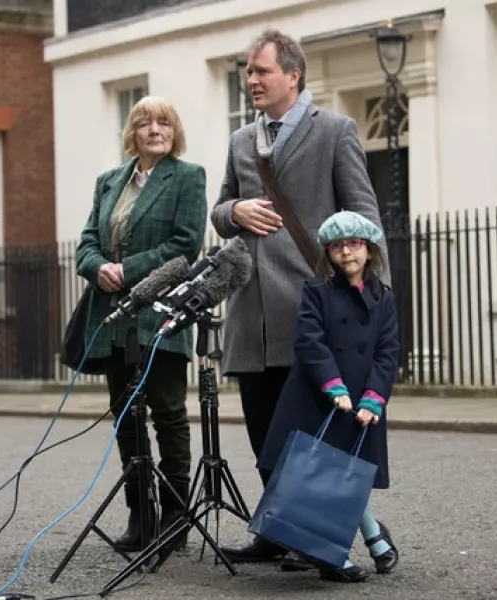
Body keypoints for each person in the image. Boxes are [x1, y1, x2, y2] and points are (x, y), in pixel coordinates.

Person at [210, 28, 389, 563]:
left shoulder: (335, 130)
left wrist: (365, 301)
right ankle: (275, 532)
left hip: (313, 312)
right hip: (251, 313)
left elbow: (366, 218)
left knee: (311, 435)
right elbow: (219, 211)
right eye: (248, 71)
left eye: (261, 71)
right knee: (265, 431)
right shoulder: (242, 140)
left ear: (293, 74)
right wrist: (235, 212)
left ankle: (310, 539)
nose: (252, 80)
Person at [75, 96, 207, 551]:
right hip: (112, 317)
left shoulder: (187, 177)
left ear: (174, 131)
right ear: (133, 132)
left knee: (168, 414)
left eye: (164, 122)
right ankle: (140, 515)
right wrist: (97, 268)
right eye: (146, 122)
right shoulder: (108, 182)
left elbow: (185, 246)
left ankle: (176, 517)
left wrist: (125, 270)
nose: (156, 129)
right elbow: (87, 241)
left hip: (160, 313)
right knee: (125, 415)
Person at [256, 211, 399, 583]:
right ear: (328, 254)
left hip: (360, 401)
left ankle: (371, 539)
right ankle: (335, 554)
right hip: (317, 395)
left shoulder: (384, 298)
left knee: (343, 474)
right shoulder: (316, 291)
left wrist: (373, 398)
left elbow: (387, 352)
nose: (346, 253)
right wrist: (333, 385)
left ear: (368, 249)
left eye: (353, 244)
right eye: (336, 246)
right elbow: (310, 342)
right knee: (319, 474)